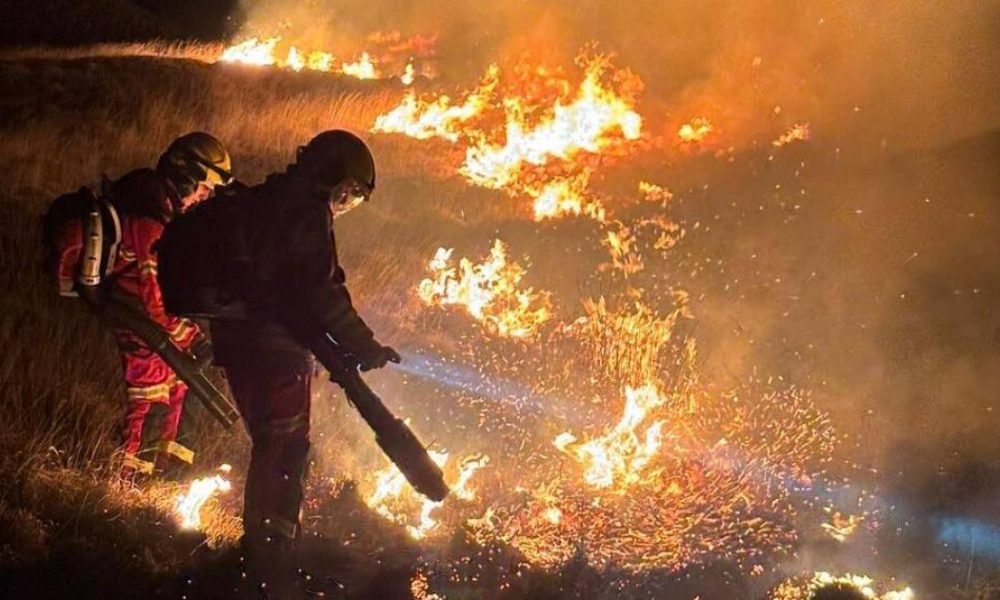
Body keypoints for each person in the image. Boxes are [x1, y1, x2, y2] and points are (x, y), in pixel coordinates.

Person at [206, 130, 399, 577]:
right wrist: (363, 344)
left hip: (241, 344)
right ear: (333, 178)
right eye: (349, 193)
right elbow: (320, 292)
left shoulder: (268, 200)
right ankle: (270, 557)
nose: (345, 203)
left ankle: (262, 548)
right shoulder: (304, 212)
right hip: (273, 349)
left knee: (271, 443)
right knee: (286, 447)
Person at [96, 133, 231, 480]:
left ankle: (161, 480)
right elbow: (154, 298)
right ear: (187, 176)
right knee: (149, 400)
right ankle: (127, 487)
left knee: (178, 388)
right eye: (203, 188)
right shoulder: (149, 217)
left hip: (145, 316)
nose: (204, 197)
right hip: (136, 317)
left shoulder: (157, 204)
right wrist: (193, 338)